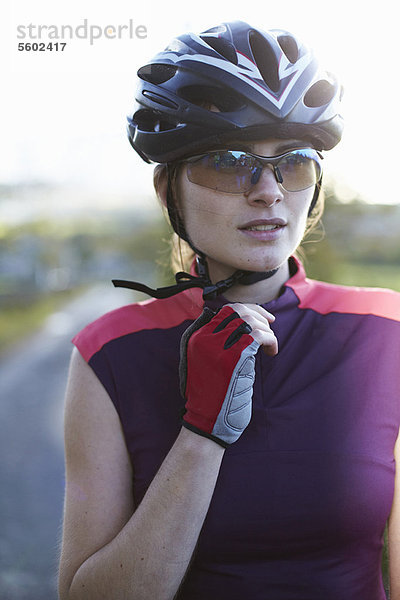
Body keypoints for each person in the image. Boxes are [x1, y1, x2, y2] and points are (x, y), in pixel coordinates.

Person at [58, 21, 400, 600]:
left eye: (291, 164)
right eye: (226, 160)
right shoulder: (108, 354)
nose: (267, 191)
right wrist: (201, 435)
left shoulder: (385, 333)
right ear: (169, 192)